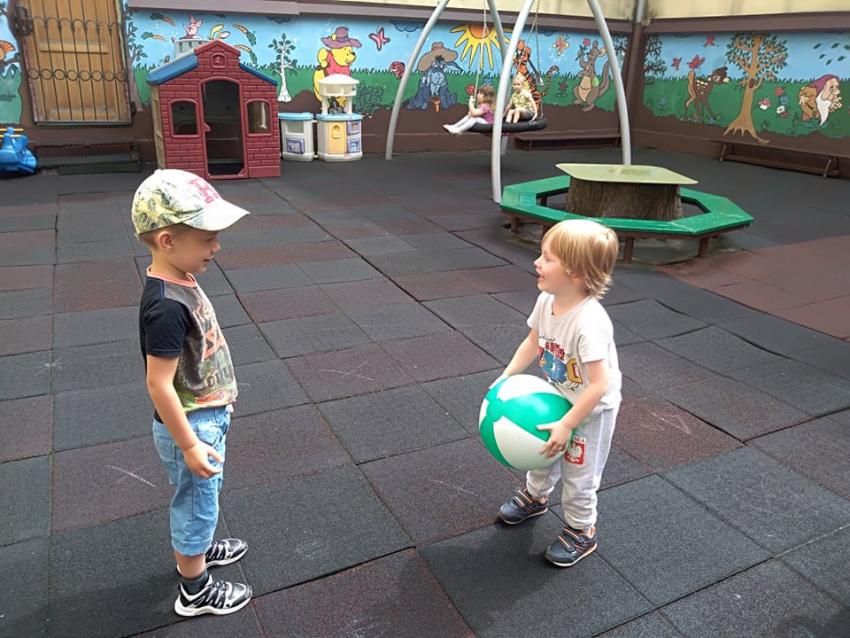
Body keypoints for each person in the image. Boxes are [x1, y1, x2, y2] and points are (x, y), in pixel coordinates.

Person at [133, 169, 253, 616]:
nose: (216, 247)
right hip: (192, 426)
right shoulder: (166, 306)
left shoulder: (180, 277)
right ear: (167, 240)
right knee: (195, 505)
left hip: (204, 418)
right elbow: (158, 383)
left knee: (203, 498)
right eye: (207, 239)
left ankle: (199, 549)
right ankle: (195, 589)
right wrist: (189, 444)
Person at [495, 219, 621, 568]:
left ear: (576, 273)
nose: (537, 262)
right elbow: (533, 341)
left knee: (579, 477)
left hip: (591, 409)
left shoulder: (589, 322)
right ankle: (536, 497)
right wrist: (507, 376)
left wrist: (568, 425)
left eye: (547, 258)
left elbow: (599, 384)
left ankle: (582, 530)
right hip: (558, 393)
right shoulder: (546, 300)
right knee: (543, 451)